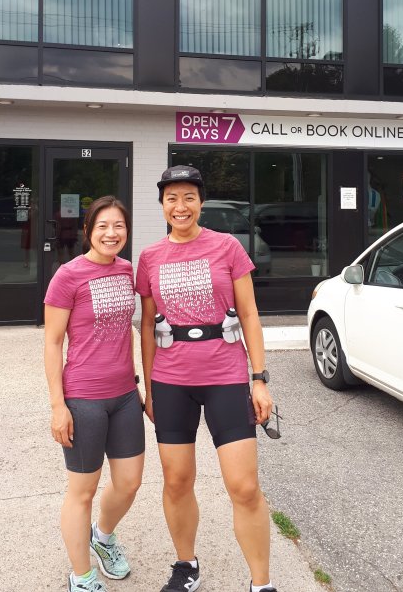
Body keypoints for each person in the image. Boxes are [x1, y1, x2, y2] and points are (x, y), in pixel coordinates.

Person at [136, 166, 278, 592]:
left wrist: (259, 378)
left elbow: (249, 313)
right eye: (172, 198)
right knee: (177, 481)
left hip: (225, 377)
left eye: (189, 198)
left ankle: (261, 584)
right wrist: (149, 389)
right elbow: (147, 327)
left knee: (244, 486)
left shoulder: (227, 246)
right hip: (171, 381)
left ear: (201, 202)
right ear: (162, 205)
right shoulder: (150, 257)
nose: (180, 207)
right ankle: (187, 566)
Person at [44, 196, 145, 592]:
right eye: (102, 226)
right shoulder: (68, 276)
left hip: (124, 397)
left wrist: (137, 382)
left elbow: (127, 331)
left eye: (118, 225)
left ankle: (102, 537)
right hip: (83, 398)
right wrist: (58, 406)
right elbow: (53, 343)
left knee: (130, 482)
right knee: (82, 491)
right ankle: (82, 576)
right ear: (88, 231)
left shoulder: (126, 270)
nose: (111, 233)